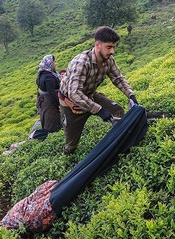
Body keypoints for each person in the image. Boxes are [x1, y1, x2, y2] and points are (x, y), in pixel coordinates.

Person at [59, 26, 139, 155]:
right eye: (109, 47)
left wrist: (131, 95)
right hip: (71, 102)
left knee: (117, 110)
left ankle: (119, 141)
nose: (112, 51)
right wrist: (99, 110)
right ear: (97, 45)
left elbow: (118, 79)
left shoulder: (109, 60)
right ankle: (68, 154)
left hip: (89, 94)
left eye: (114, 47)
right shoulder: (82, 62)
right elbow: (74, 93)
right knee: (71, 145)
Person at [36, 54, 62, 133]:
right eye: (54, 62)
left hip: (45, 102)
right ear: (49, 63)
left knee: (47, 120)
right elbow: (52, 93)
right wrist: (58, 105)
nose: (55, 63)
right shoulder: (49, 77)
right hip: (50, 103)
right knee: (53, 122)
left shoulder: (42, 73)